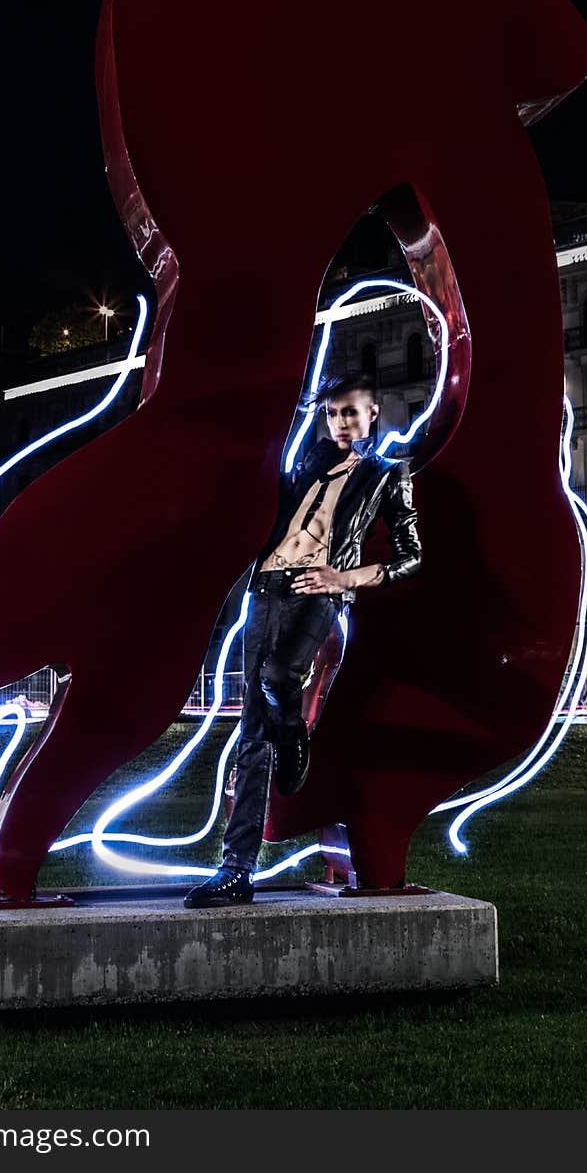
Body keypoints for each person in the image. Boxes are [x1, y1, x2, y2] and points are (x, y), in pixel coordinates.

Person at [183, 372, 422, 908]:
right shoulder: (305, 465)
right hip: (267, 588)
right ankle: (236, 869)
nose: (342, 423)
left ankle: (294, 735)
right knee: (250, 736)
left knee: (278, 678)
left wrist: (344, 579)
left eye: (352, 412)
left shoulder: (386, 475)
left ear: (374, 413)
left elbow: (411, 556)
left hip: (321, 590)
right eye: (334, 413)